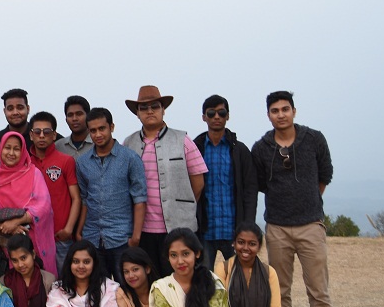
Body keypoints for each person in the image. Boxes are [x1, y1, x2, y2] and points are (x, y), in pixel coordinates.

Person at [251, 90, 343, 307]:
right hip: (277, 226)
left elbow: (324, 174)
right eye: (275, 110)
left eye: (285, 109)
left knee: (319, 291)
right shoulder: (262, 147)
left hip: (310, 225)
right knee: (281, 292)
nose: (281, 114)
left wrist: (308, 203)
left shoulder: (313, 139)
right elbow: (262, 183)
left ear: (294, 111)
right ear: (268, 115)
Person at [123, 86, 207, 277]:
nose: (150, 111)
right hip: (142, 230)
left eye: (155, 106)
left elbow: (198, 182)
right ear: (137, 113)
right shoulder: (129, 144)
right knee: (150, 281)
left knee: (181, 281)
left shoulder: (183, 140)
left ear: (163, 110)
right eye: (144, 108)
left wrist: (180, 206)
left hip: (178, 228)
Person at [75, 108, 147, 280]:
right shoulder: (82, 162)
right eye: (93, 130)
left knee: (126, 287)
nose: (98, 134)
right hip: (92, 237)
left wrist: (136, 236)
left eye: (102, 128)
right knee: (99, 289)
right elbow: (85, 199)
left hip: (121, 237)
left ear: (111, 127)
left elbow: (140, 198)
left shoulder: (130, 158)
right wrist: (79, 232)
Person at [194, 95, 258, 268]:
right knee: (204, 283)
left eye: (221, 112)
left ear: (228, 116)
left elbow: (250, 189)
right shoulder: (194, 149)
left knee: (240, 280)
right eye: (211, 113)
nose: (216, 117)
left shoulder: (240, 150)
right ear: (203, 117)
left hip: (234, 230)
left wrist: (248, 225)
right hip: (205, 231)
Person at [0, 132, 57, 274]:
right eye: (7, 148)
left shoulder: (33, 173)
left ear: (23, 151)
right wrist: (3, 227)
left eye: (16, 149)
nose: (11, 153)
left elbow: (43, 206)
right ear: (0, 149)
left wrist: (17, 222)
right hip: (4, 252)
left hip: (32, 247)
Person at [27, 111, 81, 270]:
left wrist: (69, 229)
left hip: (61, 237)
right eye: (37, 132)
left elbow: (76, 198)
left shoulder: (66, 161)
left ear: (54, 135)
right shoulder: (25, 164)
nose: (42, 136)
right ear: (31, 135)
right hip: (34, 236)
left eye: (47, 132)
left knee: (64, 286)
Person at [0, 88, 32, 152]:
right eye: (10, 109)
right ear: (4, 111)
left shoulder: (39, 137)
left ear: (28, 109)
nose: (15, 112)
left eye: (20, 108)